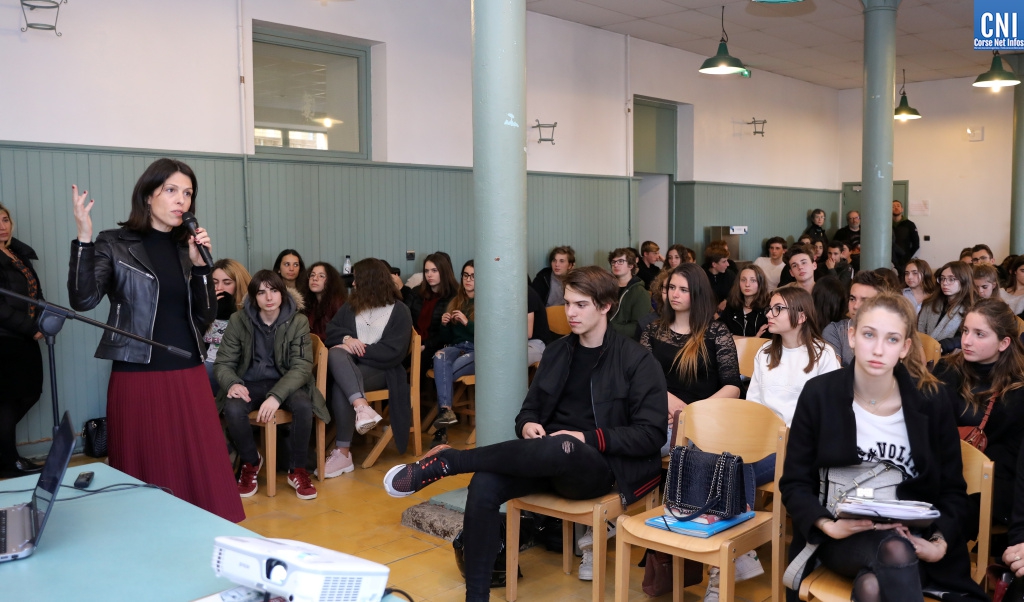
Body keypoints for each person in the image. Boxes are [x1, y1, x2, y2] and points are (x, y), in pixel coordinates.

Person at [382, 266, 667, 601]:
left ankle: (451, 461)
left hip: (600, 468)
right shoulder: (557, 352)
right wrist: (527, 425)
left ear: (605, 306)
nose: (570, 313)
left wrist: (586, 438)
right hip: (545, 460)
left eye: (581, 305)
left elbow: (651, 435)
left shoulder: (636, 360)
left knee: (563, 444)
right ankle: (476, 597)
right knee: (484, 483)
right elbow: (528, 411)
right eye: (567, 303)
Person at [68, 158, 244, 522]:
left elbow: (205, 315)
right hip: (137, 373)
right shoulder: (114, 243)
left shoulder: (187, 248)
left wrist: (201, 267)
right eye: (171, 190)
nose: (182, 200)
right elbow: (82, 300)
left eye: (188, 193)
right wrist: (84, 239)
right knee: (147, 468)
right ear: (148, 195)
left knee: (200, 468)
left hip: (188, 370)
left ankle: (202, 535)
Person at [780, 294, 987, 602]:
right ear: (852, 336)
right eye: (869, 335)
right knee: (893, 550)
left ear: (904, 347)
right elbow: (795, 483)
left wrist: (940, 542)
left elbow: (952, 489)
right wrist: (826, 525)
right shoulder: (819, 394)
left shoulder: (932, 400)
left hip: (913, 537)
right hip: (842, 536)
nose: (878, 349)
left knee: (873, 586)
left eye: (891, 339)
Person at [215, 270, 328, 500]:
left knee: (303, 405)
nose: (269, 297)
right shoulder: (238, 320)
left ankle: (297, 470)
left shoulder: (297, 320)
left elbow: (301, 367)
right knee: (233, 408)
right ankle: (251, 462)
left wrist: (276, 396)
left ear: (282, 293)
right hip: (249, 382)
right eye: (261, 292)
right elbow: (223, 363)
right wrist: (232, 383)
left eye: (274, 291)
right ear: (253, 297)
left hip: (287, 381)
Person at [934, 299, 1024, 535]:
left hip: (990, 485)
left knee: (946, 512)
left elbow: (1008, 460)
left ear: (1004, 342)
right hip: (943, 474)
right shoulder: (946, 370)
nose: (966, 340)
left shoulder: (1017, 390)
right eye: (965, 331)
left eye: (979, 334)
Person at [323, 258, 414, 477]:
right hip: (352, 368)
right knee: (336, 353)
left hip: (385, 371)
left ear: (370, 281)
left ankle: (343, 452)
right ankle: (362, 408)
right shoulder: (351, 307)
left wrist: (356, 348)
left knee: (342, 383)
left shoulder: (399, 311)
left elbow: (394, 352)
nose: (353, 284)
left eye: (357, 279)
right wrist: (347, 338)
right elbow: (331, 330)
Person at [640, 263, 741, 416]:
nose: (674, 294)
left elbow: (733, 387)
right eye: (672, 287)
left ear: (697, 293)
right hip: (660, 409)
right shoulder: (653, 330)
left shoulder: (717, 332)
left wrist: (692, 413)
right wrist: (667, 400)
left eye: (683, 290)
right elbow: (642, 377)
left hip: (703, 414)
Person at [749, 285, 840, 427]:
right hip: (765, 433)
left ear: (801, 317)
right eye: (770, 309)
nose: (768, 315)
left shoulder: (824, 354)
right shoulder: (764, 352)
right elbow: (753, 401)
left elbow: (830, 407)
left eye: (778, 309)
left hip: (805, 435)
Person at [0, 203, 45, 478]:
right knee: (8, 399)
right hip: (5, 339)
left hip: (24, 337)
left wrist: (43, 319)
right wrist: (31, 327)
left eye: (5, 219)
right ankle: (10, 461)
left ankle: (5, 456)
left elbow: (34, 292)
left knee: (30, 393)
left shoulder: (17, 253)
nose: (2, 226)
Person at [430, 260, 476, 439]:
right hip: (456, 347)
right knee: (439, 356)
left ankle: (441, 429)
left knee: (443, 372)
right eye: (465, 275)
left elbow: (489, 336)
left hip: (476, 349)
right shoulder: (455, 301)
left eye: (473, 276)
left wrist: (467, 322)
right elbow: (447, 339)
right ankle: (446, 412)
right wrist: (444, 325)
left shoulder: (486, 302)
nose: (468, 280)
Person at [204, 258, 252, 395]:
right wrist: (206, 310)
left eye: (227, 283)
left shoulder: (249, 311)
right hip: (206, 363)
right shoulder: (202, 307)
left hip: (233, 369)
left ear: (238, 284)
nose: (219, 288)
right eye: (214, 282)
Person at [821, 271, 890, 367]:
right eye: (852, 299)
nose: (856, 306)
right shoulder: (835, 331)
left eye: (865, 301)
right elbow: (834, 372)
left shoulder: (892, 334)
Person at [405, 252, 459, 368]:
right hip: (412, 341)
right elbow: (404, 318)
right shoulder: (416, 292)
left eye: (434, 271)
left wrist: (425, 345)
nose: (429, 275)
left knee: (417, 361)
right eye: (426, 271)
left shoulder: (454, 296)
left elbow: (448, 333)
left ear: (443, 272)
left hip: (436, 345)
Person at [918, 261, 975, 354]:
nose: (945, 283)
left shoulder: (972, 309)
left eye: (951, 279)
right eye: (942, 279)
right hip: (922, 352)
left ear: (964, 281)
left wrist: (942, 346)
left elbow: (966, 337)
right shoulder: (929, 303)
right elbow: (918, 330)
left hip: (951, 356)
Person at [608, 248, 651, 340]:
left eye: (620, 261)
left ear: (631, 265)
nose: (615, 265)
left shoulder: (640, 292)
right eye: (613, 262)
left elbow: (638, 327)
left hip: (624, 340)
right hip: (604, 336)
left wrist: (607, 327)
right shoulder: (607, 288)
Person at [719, 265, 770, 338]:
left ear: (760, 283)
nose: (747, 284)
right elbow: (719, 333)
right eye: (743, 280)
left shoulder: (768, 307)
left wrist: (733, 336)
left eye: (753, 280)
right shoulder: (732, 305)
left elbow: (768, 339)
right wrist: (753, 339)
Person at [303, 261, 347, 340]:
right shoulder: (308, 302)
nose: (315, 278)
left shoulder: (337, 302)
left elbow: (338, 333)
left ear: (330, 280)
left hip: (331, 345)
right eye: (312, 275)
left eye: (321, 276)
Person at [703, 246, 735, 311]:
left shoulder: (730, 275)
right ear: (714, 264)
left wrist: (727, 301)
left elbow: (736, 292)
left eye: (727, 260)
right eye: (724, 261)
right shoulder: (702, 276)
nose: (728, 264)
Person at [892, 200, 920, 274]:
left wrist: (907, 257)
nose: (896, 208)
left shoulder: (910, 225)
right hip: (889, 261)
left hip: (903, 262)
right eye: (893, 206)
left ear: (902, 209)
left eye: (898, 206)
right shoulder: (886, 224)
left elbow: (916, 244)